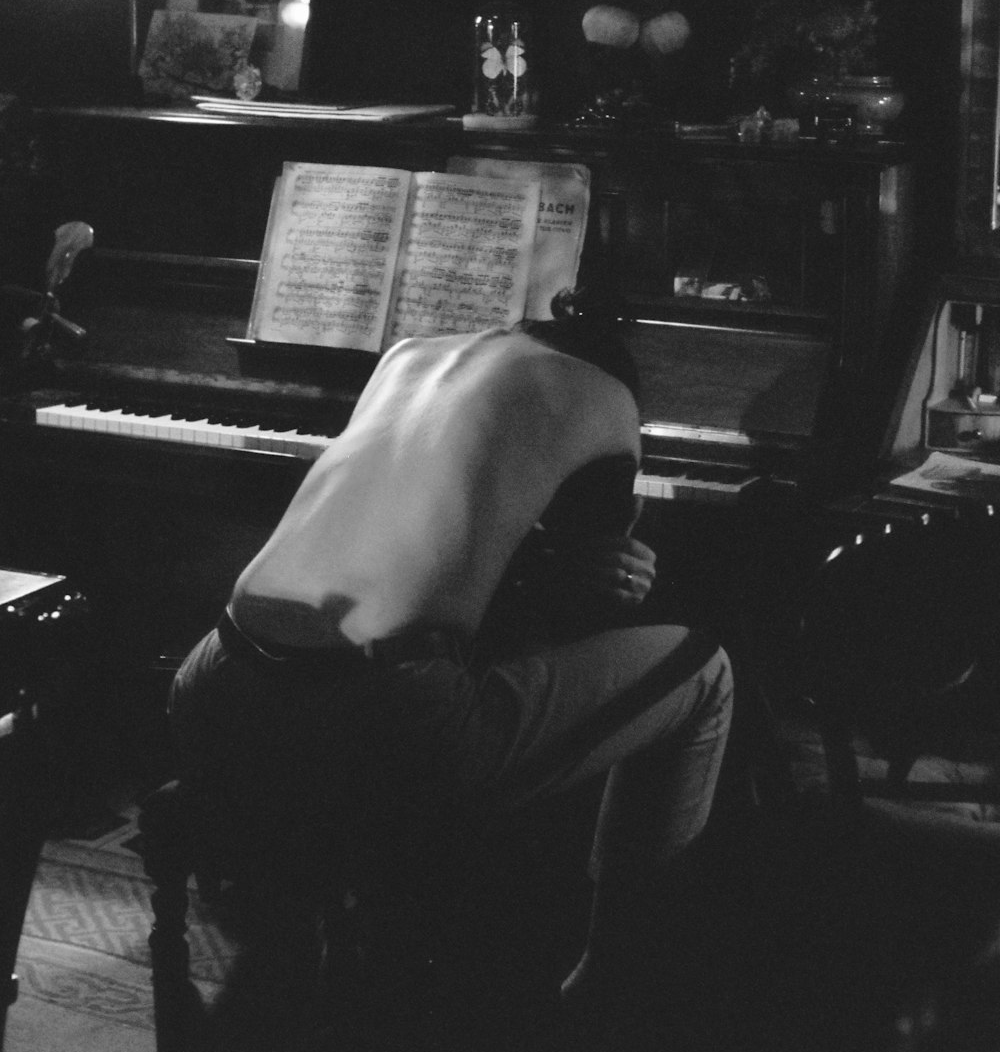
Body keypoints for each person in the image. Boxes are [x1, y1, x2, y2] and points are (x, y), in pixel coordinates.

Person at [168, 302, 733, 1014]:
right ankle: (613, 976)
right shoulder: (608, 394)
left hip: (212, 683)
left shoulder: (406, 355)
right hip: (383, 716)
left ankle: (308, 914)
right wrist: (573, 563)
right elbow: (593, 608)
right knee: (704, 667)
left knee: (416, 652)